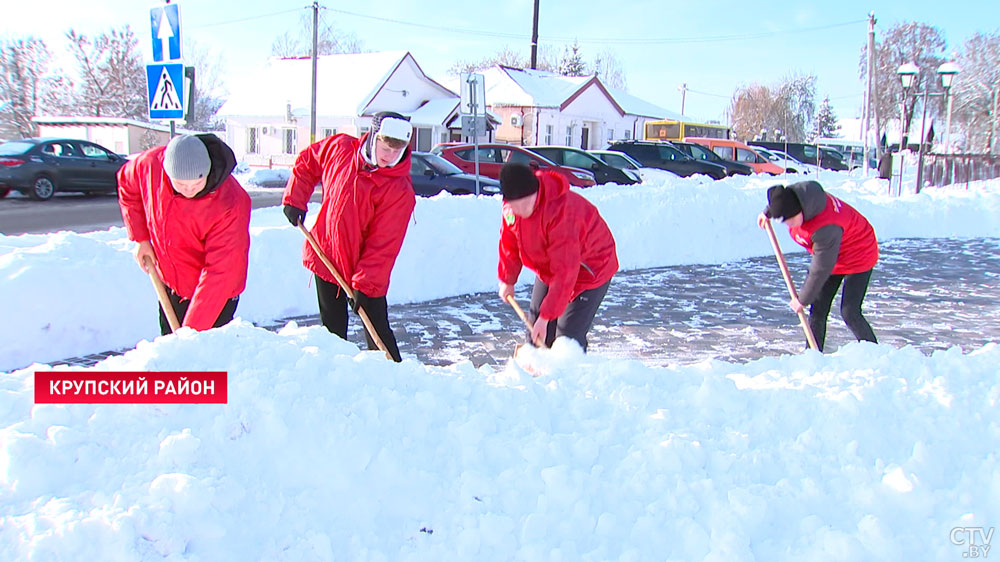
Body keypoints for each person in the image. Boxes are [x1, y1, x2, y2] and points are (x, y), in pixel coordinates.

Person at [281, 111, 415, 362]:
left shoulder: (399, 190)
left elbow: (383, 246)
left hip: (364, 272)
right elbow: (308, 161)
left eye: (397, 151)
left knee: (377, 333)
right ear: (373, 137)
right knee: (331, 334)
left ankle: (394, 380)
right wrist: (295, 199)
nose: (390, 157)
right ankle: (334, 376)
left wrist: (366, 285)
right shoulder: (340, 149)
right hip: (327, 257)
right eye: (385, 148)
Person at [117, 134, 251, 335]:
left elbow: (220, 273)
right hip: (170, 287)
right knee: (173, 356)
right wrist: (140, 238)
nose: (189, 190)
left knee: (203, 360)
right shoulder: (149, 166)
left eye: (197, 183)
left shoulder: (231, 202)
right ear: (166, 173)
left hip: (215, 297)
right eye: (180, 184)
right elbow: (127, 187)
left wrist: (189, 334)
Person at [497, 162, 618, 351]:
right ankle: (536, 376)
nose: (521, 211)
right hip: (550, 266)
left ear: (536, 193)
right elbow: (509, 244)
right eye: (515, 206)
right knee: (535, 334)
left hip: (589, 269)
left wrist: (546, 318)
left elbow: (565, 273)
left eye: (526, 203)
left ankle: (569, 376)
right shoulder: (511, 211)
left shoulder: (561, 213)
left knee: (566, 340)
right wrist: (507, 279)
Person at [757, 180, 879, 352]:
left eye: (790, 220)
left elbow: (820, 268)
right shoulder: (799, 196)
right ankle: (812, 356)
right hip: (834, 253)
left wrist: (802, 299)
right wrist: (768, 212)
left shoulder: (825, 227)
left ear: (800, 211)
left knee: (849, 312)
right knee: (818, 309)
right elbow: (782, 198)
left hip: (859, 253)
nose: (788, 225)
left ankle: (876, 354)